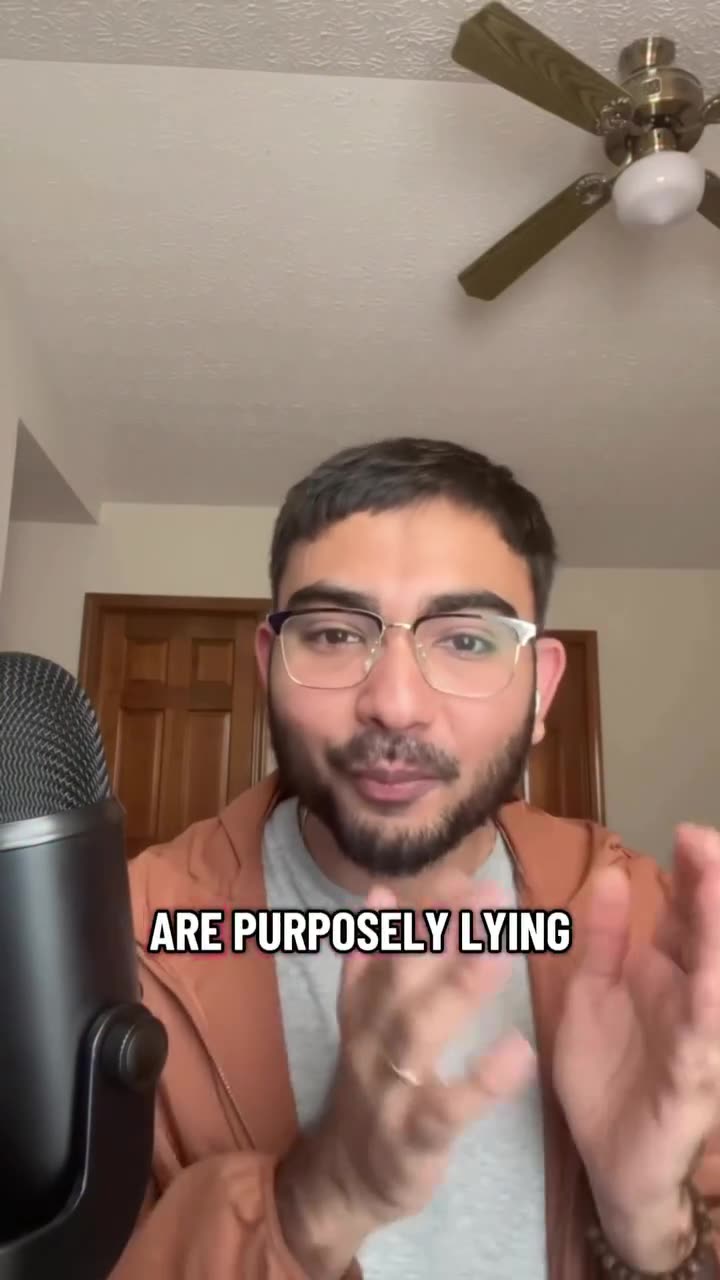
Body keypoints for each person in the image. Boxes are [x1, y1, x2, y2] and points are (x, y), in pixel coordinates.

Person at [113, 437, 720, 1280]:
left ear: (541, 690)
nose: (396, 705)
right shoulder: (130, 944)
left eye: (465, 641)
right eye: (334, 633)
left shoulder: (643, 927)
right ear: (269, 666)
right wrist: (316, 1199)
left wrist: (648, 1221)